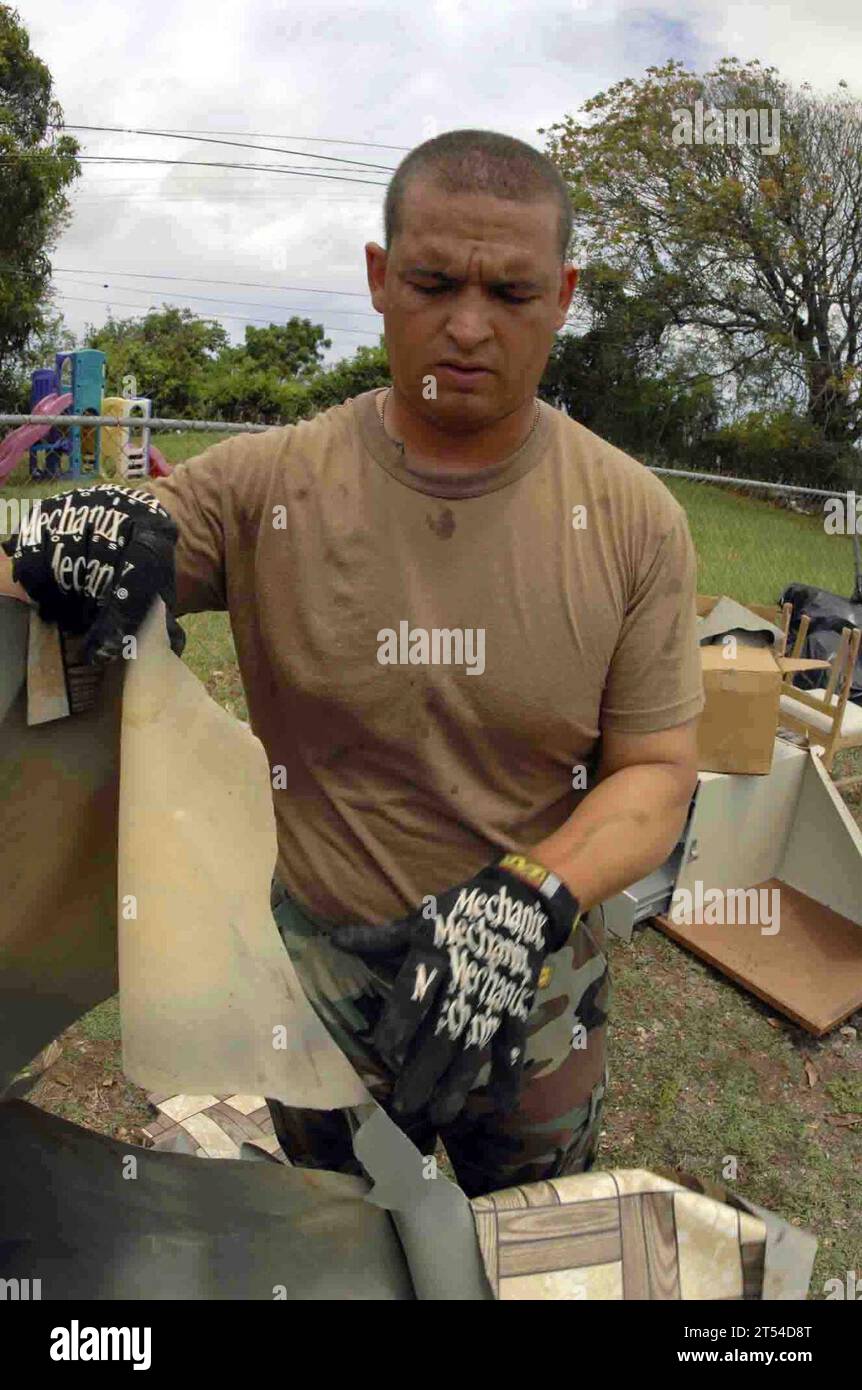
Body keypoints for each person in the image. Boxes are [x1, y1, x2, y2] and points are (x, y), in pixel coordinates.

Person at [1, 129, 704, 1199]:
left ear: (563, 296)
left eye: (512, 292)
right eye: (433, 283)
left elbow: (657, 770)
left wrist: (526, 899)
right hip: (316, 979)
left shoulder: (632, 521)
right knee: (336, 1230)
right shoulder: (267, 484)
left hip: (530, 973)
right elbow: (46, 572)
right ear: (379, 278)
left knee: (523, 1241)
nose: (468, 326)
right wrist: (52, 543)